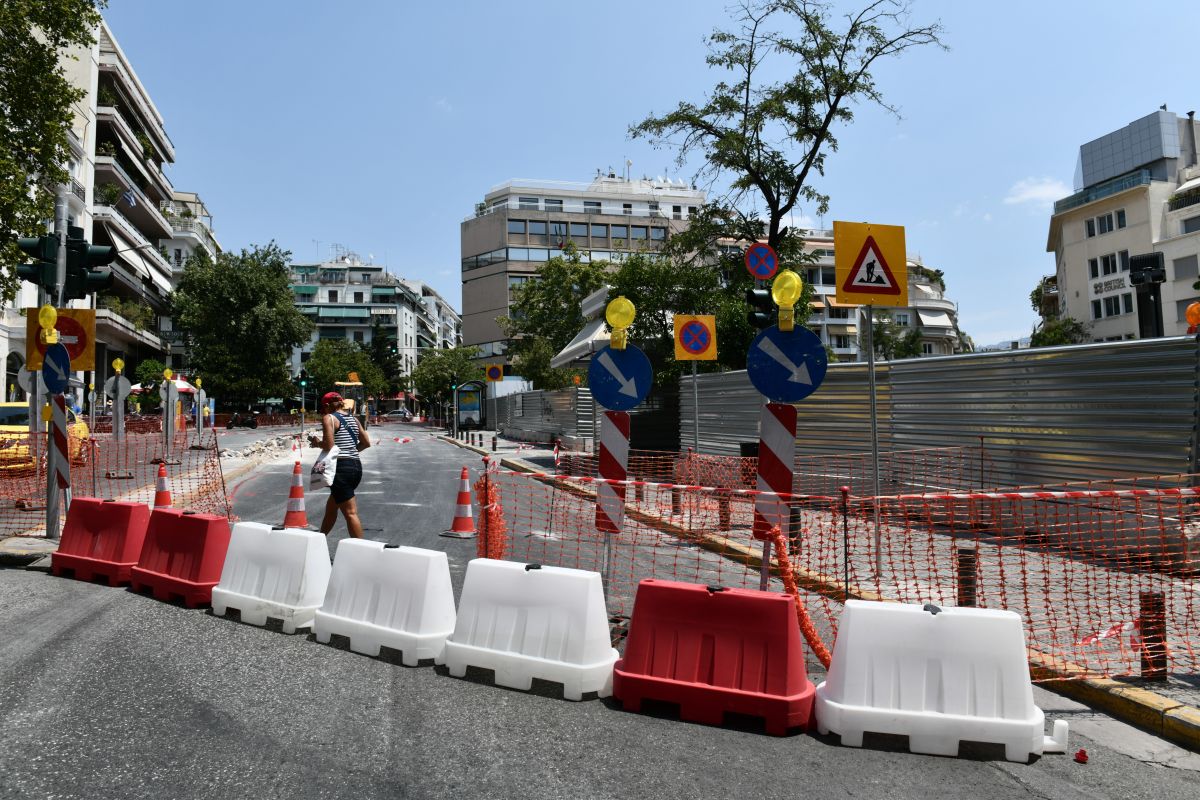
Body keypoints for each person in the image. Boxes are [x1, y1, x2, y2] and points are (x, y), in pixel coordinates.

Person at [308, 391, 371, 538]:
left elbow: (329, 446)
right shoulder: (354, 420)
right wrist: (349, 453)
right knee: (331, 508)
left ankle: (362, 552)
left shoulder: (329, 418)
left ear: (328, 405)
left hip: (341, 470)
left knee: (350, 513)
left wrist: (317, 443)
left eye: (324, 407)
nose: (324, 411)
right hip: (356, 467)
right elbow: (366, 443)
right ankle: (319, 540)